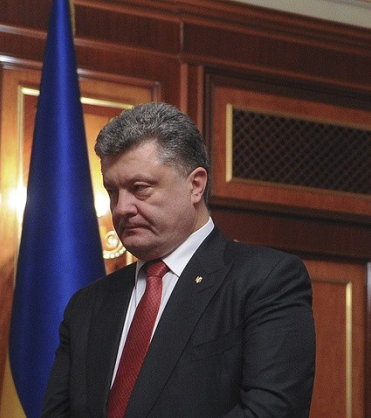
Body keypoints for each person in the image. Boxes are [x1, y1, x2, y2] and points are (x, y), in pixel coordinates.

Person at [42, 102, 316, 417]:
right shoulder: (86, 305)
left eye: (139, 188)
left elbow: (271, 411)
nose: (120, 208)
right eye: (113, 191)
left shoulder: (266, 279)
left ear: (195, 185)